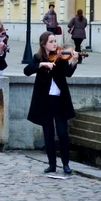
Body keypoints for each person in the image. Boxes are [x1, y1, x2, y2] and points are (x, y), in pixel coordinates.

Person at [24, 31, 78, 174]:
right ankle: (52, 164)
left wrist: (74, 61)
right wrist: (42, 64)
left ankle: (66, 164)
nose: (55, 44)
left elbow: (68, 73)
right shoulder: (38, 58)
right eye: (51, 42)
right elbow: (27, 70)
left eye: (55, 41)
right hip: (45, 102)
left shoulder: (61, 57)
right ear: (44, 44)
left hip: (59, 100)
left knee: (62, 132)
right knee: (48, 133)